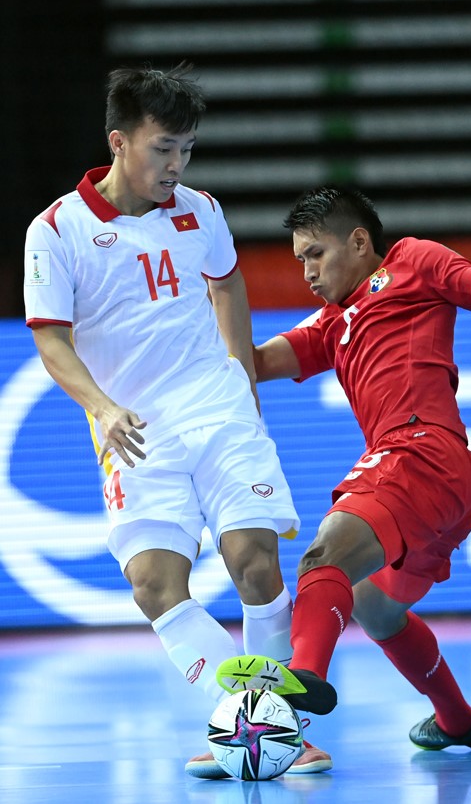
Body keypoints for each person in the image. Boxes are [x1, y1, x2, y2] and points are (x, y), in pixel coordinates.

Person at [23, 62, 330, 777]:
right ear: (119, 141)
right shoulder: (57, 231)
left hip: (216, 410)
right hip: (134, 430)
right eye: (164, 148)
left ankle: (274, 729)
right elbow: (50, 338)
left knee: (254, 562)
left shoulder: (201, 210)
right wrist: (100, 407)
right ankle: (252, 723)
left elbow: (227, 284)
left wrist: (243, 377)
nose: (176, 165)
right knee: (155, 584)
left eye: (186, 149)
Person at [216, 158, 471, 752]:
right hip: (450, 482)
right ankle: (457, 719)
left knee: (323, 556)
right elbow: (251, 364)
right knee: (374, 607)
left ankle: (304, 675)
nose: (307, 272)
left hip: (421, 451)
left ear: (359, 241)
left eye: (315, 254)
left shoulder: (413, 261)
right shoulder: (331, 322)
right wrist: (213, 294)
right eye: (299, 261)